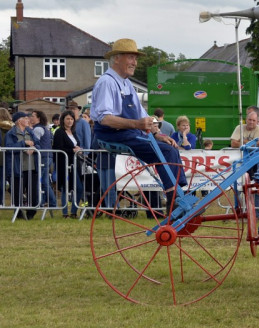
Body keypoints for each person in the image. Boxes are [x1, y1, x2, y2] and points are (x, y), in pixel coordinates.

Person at [92, 38, 188, 211]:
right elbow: (104, 118)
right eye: (130, 58)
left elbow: (142, 117)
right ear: (116, 58)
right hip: (113, 134)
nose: (134, 63)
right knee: (165, 151)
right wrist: (137, 124)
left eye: (135, 59)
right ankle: (173, 200)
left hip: (130, 132)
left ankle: (179, 193)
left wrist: (158, 134)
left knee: (171, 148)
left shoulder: (127, 84)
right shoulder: (107, 82)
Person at [5, 111, 39, 219]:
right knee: (17, 193)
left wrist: (34, 148)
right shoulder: (10, 134)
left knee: (33, 193)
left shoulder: (30, 132)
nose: (28, 120)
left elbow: (38, 143)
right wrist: (23, 144)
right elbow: (9, 147)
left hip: (31, 167)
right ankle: (18, 214)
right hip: (17, 168)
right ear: (19, 121)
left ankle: (31, 213)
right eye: (25, 118)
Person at [52, 111, 82, 217]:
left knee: (79, 188)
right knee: (65, 188)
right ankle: (65, 213)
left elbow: (76, 144)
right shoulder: (59, 132)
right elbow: (58, 148)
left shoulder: (73, 132)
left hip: (74, 163)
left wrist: (78, 149)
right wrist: (72, 150)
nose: (70, 121)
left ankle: (74, 211)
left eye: (72, 119)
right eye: (68, 119)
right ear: (63, 120)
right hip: (63, 164)